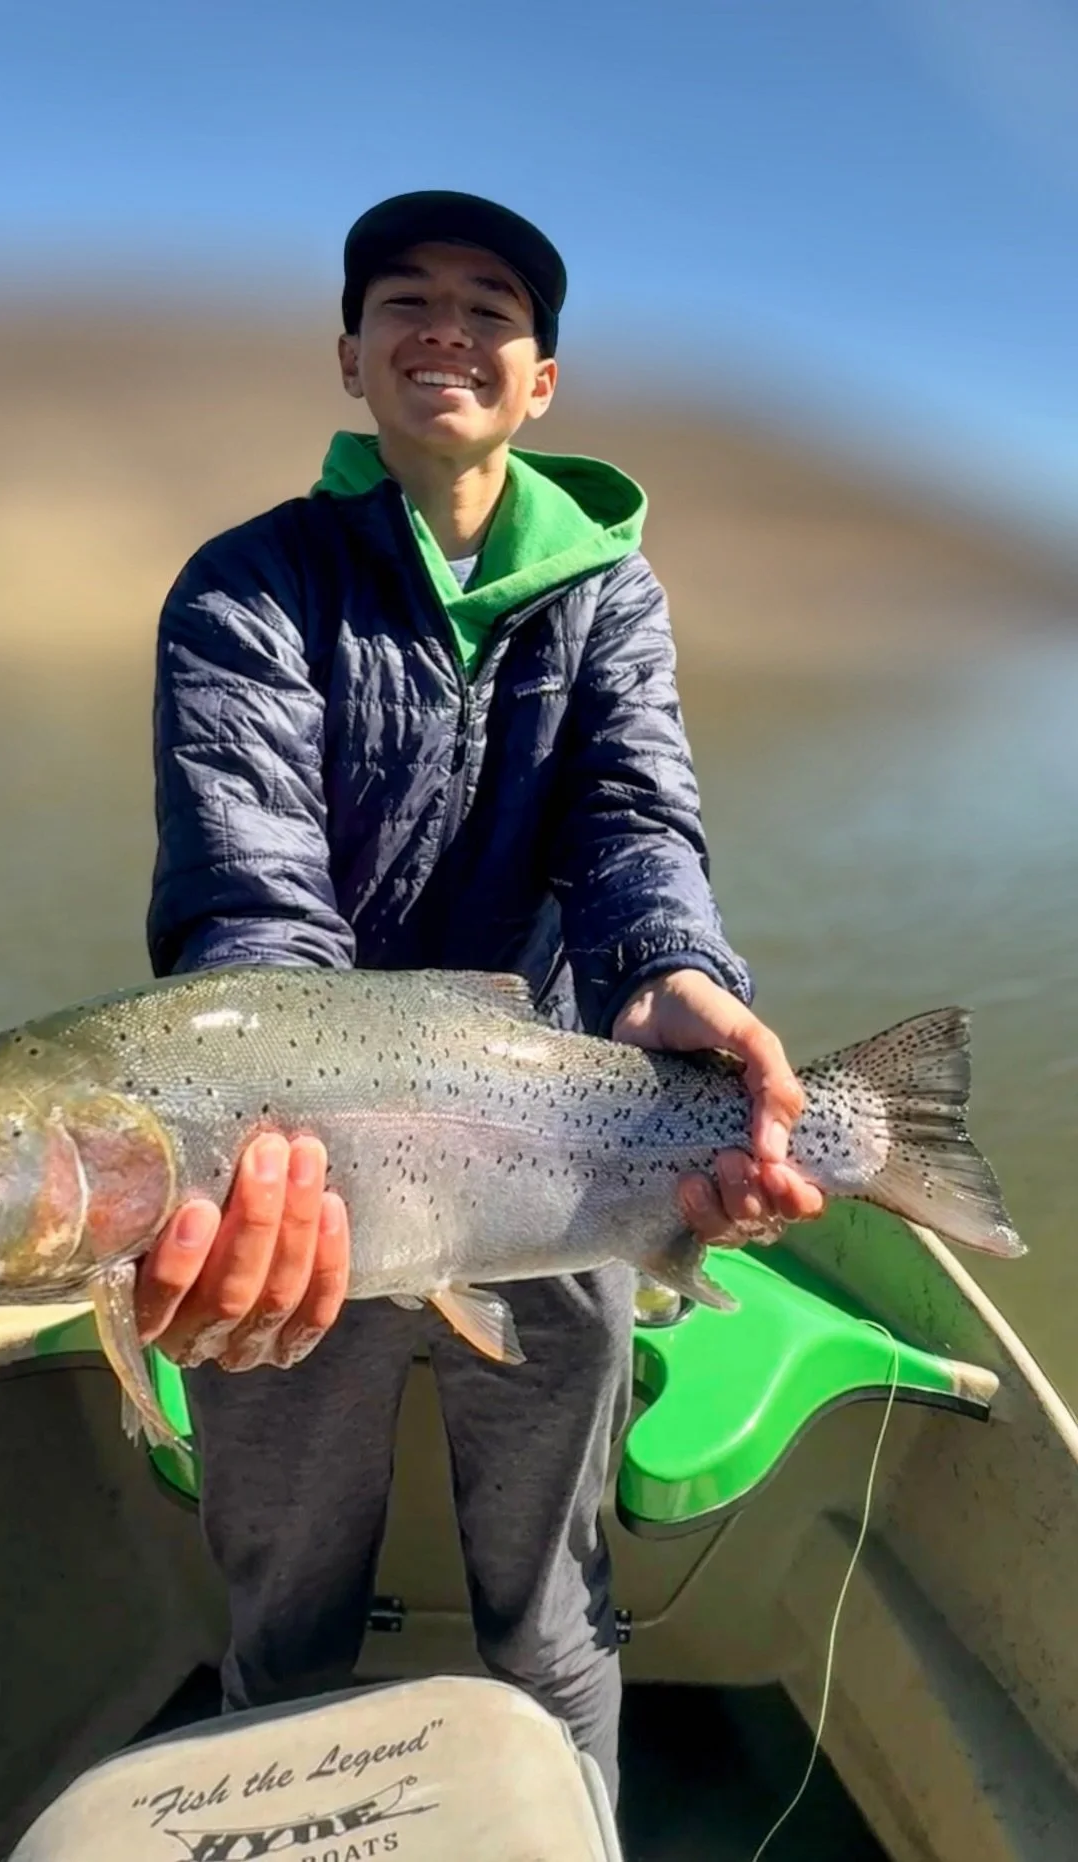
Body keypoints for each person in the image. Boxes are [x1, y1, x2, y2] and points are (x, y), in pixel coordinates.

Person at [137, 190, 825, 1806]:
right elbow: (251, 896)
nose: (446, 324)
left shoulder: (610, 597)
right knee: (285, 1614)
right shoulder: (247, 588)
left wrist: (675, 972)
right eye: (408, 299)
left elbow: (633, 818)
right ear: (353, 355)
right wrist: (290, 1152)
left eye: (490, 305)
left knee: (552, 1610)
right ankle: (266, 1817)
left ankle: (571, 1814)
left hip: (553, 1148)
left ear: (541, 382)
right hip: (299, 1188)